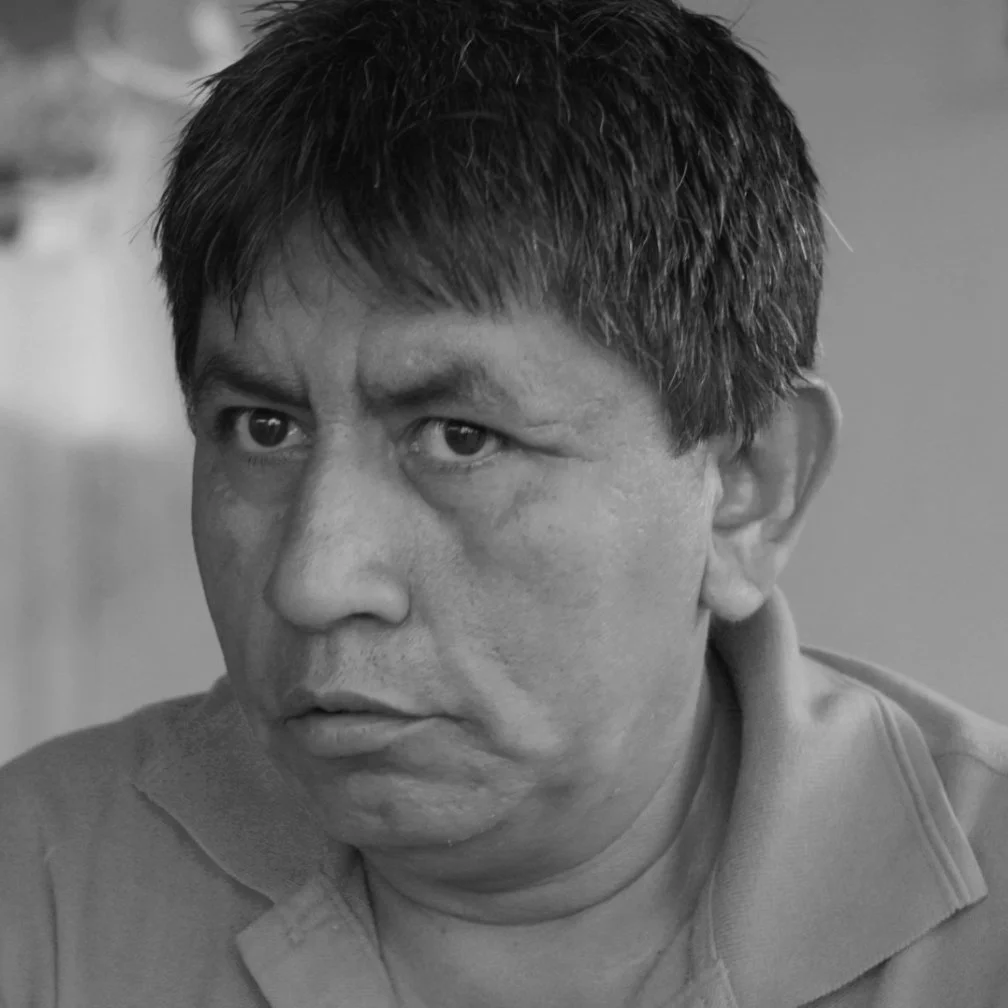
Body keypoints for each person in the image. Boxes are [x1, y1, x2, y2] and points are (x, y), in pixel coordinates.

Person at [2, 1, 1007, 1005]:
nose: (313, 580)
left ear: (746, 485)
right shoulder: (37, 886)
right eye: (264, 428)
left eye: (461, 438)